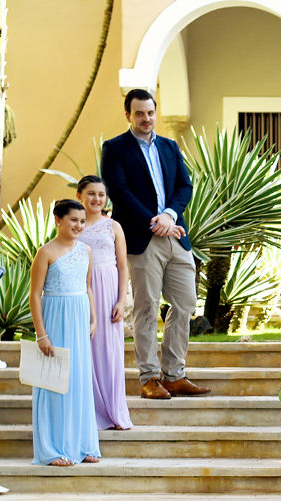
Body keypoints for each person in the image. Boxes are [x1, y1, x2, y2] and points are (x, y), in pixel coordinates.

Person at [100, 88, 210, 401]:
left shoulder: (170, 146)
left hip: (175, 235)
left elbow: (184, 186)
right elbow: (118, 191)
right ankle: (149, 376)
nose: (146, 119)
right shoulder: (115, 148)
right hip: (142, 237)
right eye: (139, 113)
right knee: (146, 308)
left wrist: (170, 214)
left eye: (150, 113)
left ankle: (174, 374)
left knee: (186, 302)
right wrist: (154, 220)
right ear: (128, 115)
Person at [29, 200, 101, 467]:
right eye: (73, 220)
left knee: (80, 380)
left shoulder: (86, 251)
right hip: (55, 318)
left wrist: (93, 319)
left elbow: (87, 287)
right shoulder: (45, 252)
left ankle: (82, 445)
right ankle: (52, 449)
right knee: (54, 382)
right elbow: (34, 295)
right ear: (58, 220)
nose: (79, 226)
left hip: (79, 317)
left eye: (82, 221)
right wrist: (41, 334)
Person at [76, 175, 133, 431]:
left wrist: (121, 300)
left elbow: (123, 266)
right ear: (79, 196)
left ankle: (113, 411)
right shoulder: (73, 225)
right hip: (80, 291)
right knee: (85, 350)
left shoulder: (114, 227)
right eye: (91, 193)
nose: (97, 199)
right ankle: (89, 412)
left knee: (109, 352)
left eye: (101, 194)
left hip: (108, 290)